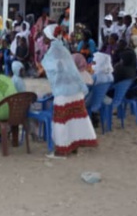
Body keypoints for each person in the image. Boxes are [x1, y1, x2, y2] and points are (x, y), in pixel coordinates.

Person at [40, 24, 98, 155]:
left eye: (44, 35)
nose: (42, 38)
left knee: (62, 120)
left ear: (50, 37)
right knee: (74, 118)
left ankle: (61, 149)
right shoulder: (62, 48)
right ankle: (73, 147)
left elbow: (52, 68)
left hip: (63, 90)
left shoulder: (54, 50)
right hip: (74, 89)